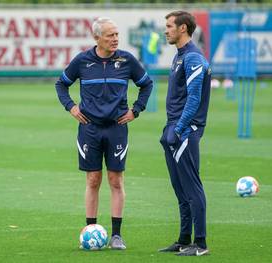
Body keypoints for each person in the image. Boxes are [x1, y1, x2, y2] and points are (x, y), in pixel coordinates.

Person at [55, 17, 153, 250]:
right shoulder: (82, 61)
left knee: (115, 180)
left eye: (117, 34)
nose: (115, 39)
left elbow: (146, 84)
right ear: (96, 37)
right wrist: (71, 106)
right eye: (110, 35)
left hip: (117, 128)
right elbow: (61, 84)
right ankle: (91, 229)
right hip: (89, 128)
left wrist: (136, 110)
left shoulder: (127, 60)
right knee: (93, 179)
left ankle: (117, 236)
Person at [158, 11, 211, 256]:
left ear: (183, 29)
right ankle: (183, 239)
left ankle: (200, 244)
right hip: (173, 127)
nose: (165, 30)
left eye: (169, 26)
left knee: (192, 187)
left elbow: (194, 99)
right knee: (180, 188)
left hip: (186, 130)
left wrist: (178, 129)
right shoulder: (180, 56)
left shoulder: (193, 58)